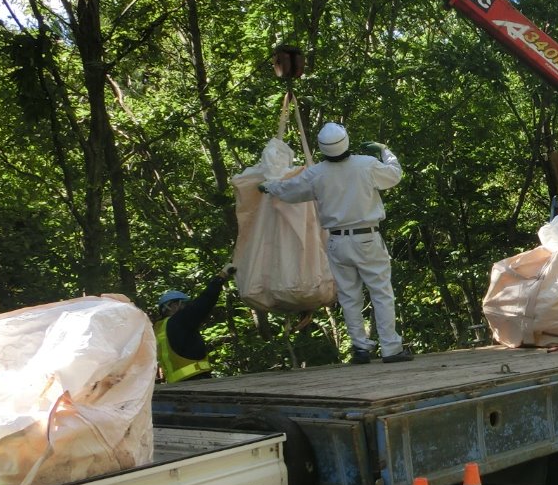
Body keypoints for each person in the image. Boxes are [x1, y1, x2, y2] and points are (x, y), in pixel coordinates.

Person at [258, 122, 411, 364]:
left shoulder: (316, 173)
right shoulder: (366, 164)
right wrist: (385, 150)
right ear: (346, 141)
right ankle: (391, 348)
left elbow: (289, 190)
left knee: (349, 296)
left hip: (337, 242)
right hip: (367, 237)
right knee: (381, 292)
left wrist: (269, 187)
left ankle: (360, 349)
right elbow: (394, 174)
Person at [156, 265, 235, 382]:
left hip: (175, 384)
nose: (186, 307)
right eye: (184, 304)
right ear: (172, 305)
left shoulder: (157, 328)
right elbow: (204, 301)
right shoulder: (179, 320)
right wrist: (221, 277)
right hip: (196, 380)